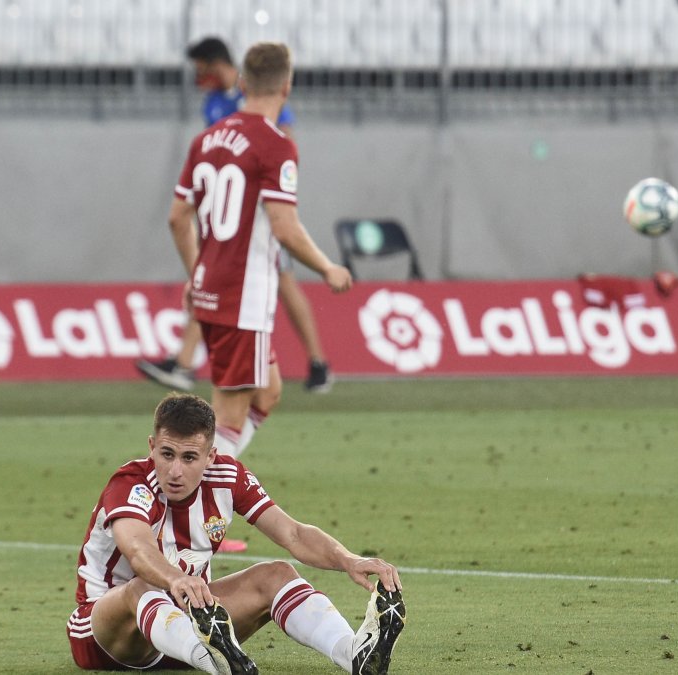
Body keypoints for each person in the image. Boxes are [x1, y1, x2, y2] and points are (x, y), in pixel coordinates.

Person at [67, 392, 406, 674]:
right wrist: (175, 581)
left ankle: (354, 655)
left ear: (211, 456)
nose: (175, 470)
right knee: (142, 586)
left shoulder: (227, 478)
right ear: (152, 446)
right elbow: (138, 549)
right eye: (166, 454)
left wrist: (347, 559)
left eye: (189, 458)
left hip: (181, 628)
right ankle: (218, 664)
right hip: (106, 636)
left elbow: (293, 534)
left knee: (277, 574)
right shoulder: (131, 484)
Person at [168, 42, 351, 461]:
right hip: (242, 297)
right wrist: (327, 267)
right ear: (287, 87)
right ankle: (190, 515)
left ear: (244, 82)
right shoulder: (276, 145)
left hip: (213, 288)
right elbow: (285, 228)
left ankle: (193, 493)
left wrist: (196, 273)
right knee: (227, 417)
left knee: (267, 391)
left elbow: (178, 219)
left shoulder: (207, 139)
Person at [136, 36, 335, 394]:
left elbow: (279, 140)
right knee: (221, 278)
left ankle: (318, 362)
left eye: (201, 69)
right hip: (233, 213)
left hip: (261, 213)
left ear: (218, 65)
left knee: (279, 286)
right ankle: (183, 362)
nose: (199, 76)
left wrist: (275, 197)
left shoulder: (259, 94)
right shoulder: (214, 103)